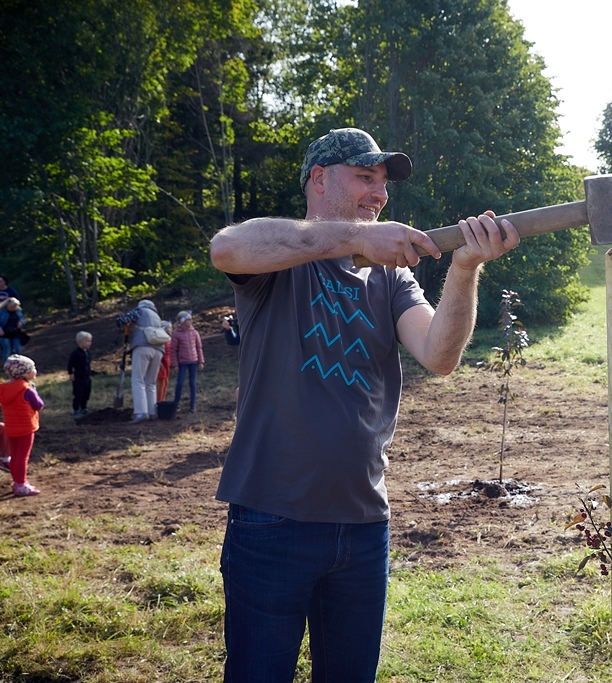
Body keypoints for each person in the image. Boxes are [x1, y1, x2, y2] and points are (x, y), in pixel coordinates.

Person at [208, 126, 521, 682]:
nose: (378, 194)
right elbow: (226, 247)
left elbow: (438, 354)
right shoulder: (280, 260)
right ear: (319, 179)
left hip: (363, 525)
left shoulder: (392, 275)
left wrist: (465, 269)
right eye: (364, 177)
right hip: (270, 520)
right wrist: (352, 238)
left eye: (383, 183)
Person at [0, 354, 45, 496]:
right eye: (33, 368)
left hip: (11, 428)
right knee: (23, 457)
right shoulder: (27, 390)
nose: (35, 371)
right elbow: (39, 405)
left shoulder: (5, 389)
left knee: (15, 455)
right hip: (26, 429)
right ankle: (21, 485)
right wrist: (34, 391)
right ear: (25, 373)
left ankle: (17, 482)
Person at [117, 299, 165, 424]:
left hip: (143, 347)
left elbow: (122, 320)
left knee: (138, 380)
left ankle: (141, 412)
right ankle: (152, 412)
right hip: (159, 350)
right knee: (151, 382)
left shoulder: (140, 311)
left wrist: (122, 319)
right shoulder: (157, 316)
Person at [168, 311, 204, 413]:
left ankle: (193, 405)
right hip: (182, 362)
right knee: (180, 383)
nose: (191, 321)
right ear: (182, 321)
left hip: (193, 361)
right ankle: (177, 404)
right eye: (189, 319)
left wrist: (201, 361)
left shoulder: (195, 333)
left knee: (193, 383)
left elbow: (199, 347)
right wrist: (175, 364)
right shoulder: (176, 334)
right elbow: (173, 350)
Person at [67, 331, 96, 417]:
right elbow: (70, 364)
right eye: (87, 341)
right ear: (80, 342)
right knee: (78, 394)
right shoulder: (75, 353)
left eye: (90, 341)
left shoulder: (88, 353)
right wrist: (71, 373)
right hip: (78, 377)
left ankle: (84, 408)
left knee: (86, 393)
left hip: (86, 377)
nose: (89, 343)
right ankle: (76, 410)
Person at [0, 297, 26, 363]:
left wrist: (21, 322)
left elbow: (22, 319)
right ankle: (6, 365)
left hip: (15, 332)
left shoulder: (17, 311)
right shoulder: (1, 312)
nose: (13, 308)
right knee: (7, 349)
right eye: (12, 306)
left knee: (18, 349)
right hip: (4, 334)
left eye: (15, 306)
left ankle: (19, 363)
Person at [156, 320, 173, 403]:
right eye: (169, 328)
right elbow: (157, 351)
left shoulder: (169, 339)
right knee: (161, 382)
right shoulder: (161, 339)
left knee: (166, 382)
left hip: (167, 364)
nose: (171, 330)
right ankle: (159, 401)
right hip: (162, 364)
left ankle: (163, 399)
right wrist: (159, 362)